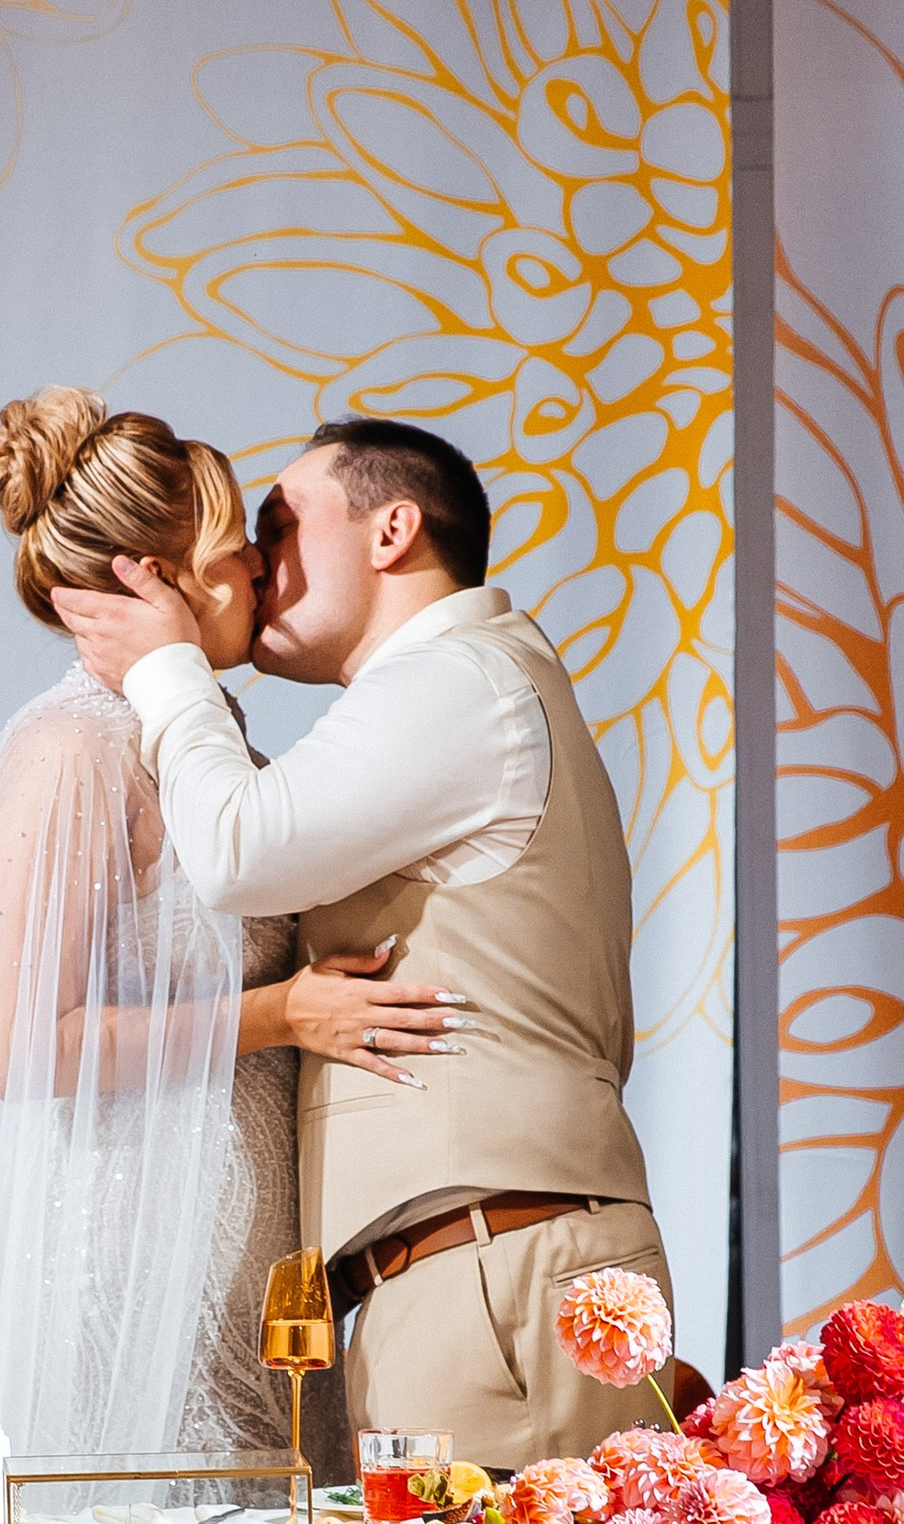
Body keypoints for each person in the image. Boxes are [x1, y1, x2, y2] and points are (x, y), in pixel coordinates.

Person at [55, 416, 672, 1468]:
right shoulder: (441, 689)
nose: (257, 559)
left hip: (492, 1263)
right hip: (460, 1266)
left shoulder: (459, 680)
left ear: (391, 530)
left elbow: (242, 850)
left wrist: (167, 671)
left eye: (282, 524)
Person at [0, 391, 454, 1458]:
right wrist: (284, 1010)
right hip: (135, 1280)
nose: (258, 574)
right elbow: (26, 1046)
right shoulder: (71, 750)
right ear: (158, 577)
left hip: (251, 1284)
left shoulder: (205, 739)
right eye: (238, 552)